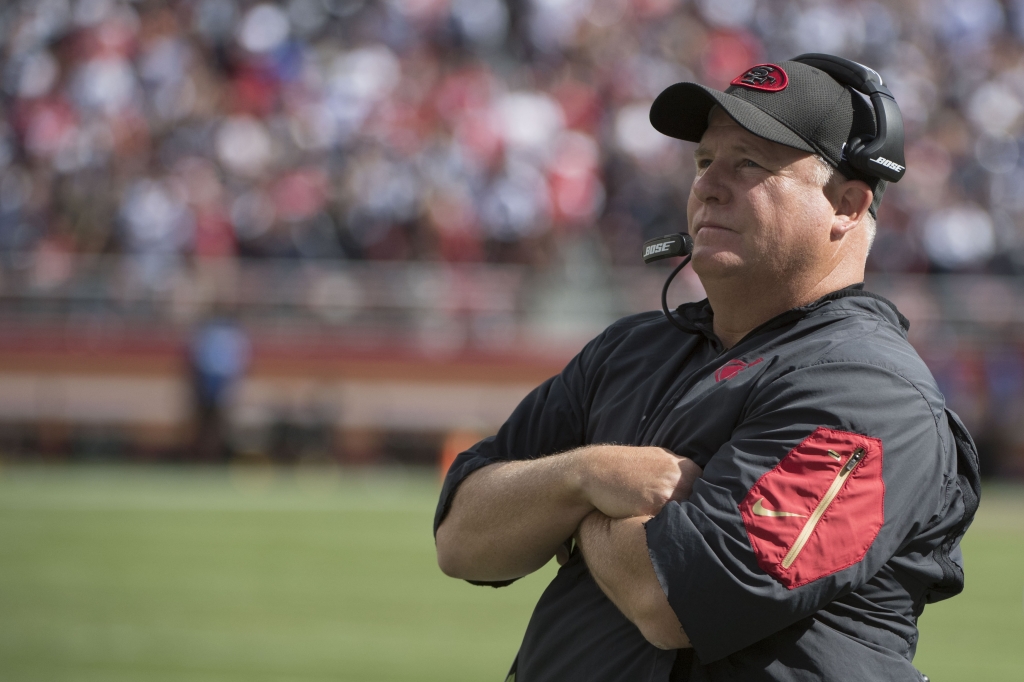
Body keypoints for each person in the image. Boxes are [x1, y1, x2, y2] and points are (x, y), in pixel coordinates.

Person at [433, 56, 980, 682]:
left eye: (749, 162)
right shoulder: (632, 348)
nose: (709, 185)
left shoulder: (870, 390)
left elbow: (675, 601)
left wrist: (566, 514)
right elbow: (462, 539)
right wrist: (589, 475)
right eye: (703, 161)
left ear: (848, 207)